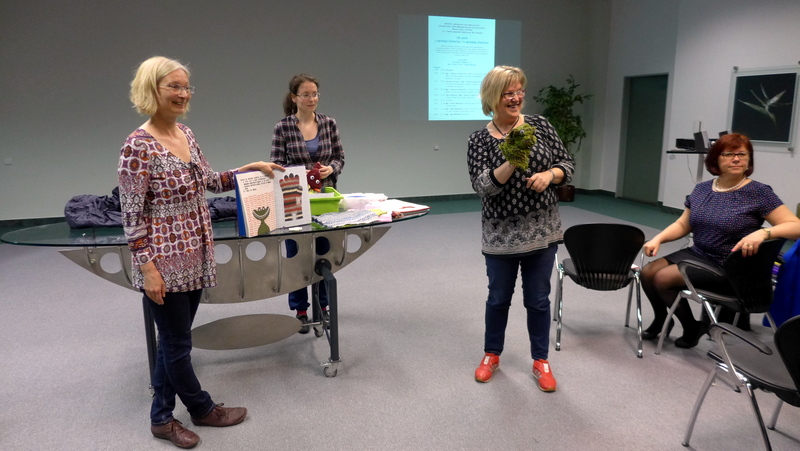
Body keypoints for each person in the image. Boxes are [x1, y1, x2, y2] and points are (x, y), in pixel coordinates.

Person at [119, 56, 284, 449]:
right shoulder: (137, 146)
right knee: (178, 345)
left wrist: (249, 169)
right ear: (151, 89)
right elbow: (131, 215)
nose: (183, 94)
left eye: (186, 87)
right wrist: (148, 269)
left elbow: (211, 180)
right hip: (164, 261)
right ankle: (202, 408)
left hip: (195, 253)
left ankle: (161, 418)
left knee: (172, 341)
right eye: (173, 86)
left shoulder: (186, 134)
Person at [467, 66, 575, 391]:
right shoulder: (479, 139)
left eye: (519, 91)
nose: (516, 98)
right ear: (492, 97)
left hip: (541, 231)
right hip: (500, 236)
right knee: (498, 298)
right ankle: (491, 354)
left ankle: (541, 360)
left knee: (538, 300)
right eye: (508, 93)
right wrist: (512, 159)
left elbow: (566, 164)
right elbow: (482, 186)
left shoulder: (540, 125)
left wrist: (550, 175)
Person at [641, 133, 800, 348]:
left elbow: (796, 226)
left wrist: (764, 233)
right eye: (729, 154)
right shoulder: (702, 189)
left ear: (749, 160)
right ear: (715, 159)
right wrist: (658, 238)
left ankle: (691, 327)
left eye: (742, 154)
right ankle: (661, 320)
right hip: (699, 253)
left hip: (729, 263)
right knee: (647, 272)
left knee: (663, 279)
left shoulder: (758, 192)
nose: (736, 159)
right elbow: (683, 225)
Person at [270, 74, 345, 333]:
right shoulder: (283, 127)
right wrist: (300, 174)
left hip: (324, 198)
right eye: (306, 94)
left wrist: (330, 169)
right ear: (294, 98)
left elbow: (340, 157)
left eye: (315, 94)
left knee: (324, 253)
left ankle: (323, 306)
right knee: (296, 254)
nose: (311, 99)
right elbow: (276, 164)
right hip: (294, 199)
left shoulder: (329, 123)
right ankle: (300, 310)